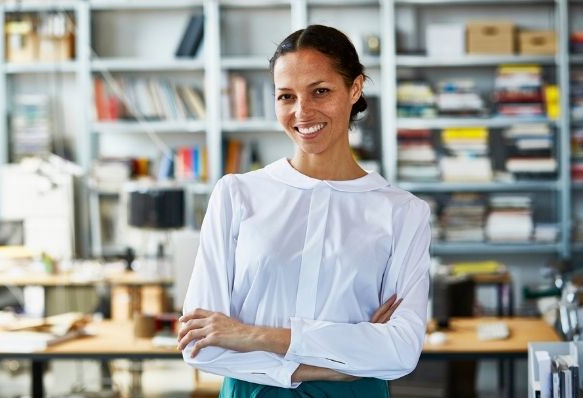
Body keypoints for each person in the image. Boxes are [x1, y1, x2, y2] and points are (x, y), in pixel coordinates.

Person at [177, 25, 431, 397]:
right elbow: (202, 344)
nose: (302, 112)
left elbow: (401, 350)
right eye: (286, 96)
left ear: (355, 88)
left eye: (320, 91)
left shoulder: (403, 212)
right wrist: (340, 364)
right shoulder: (236, 195)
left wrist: (251, 336)